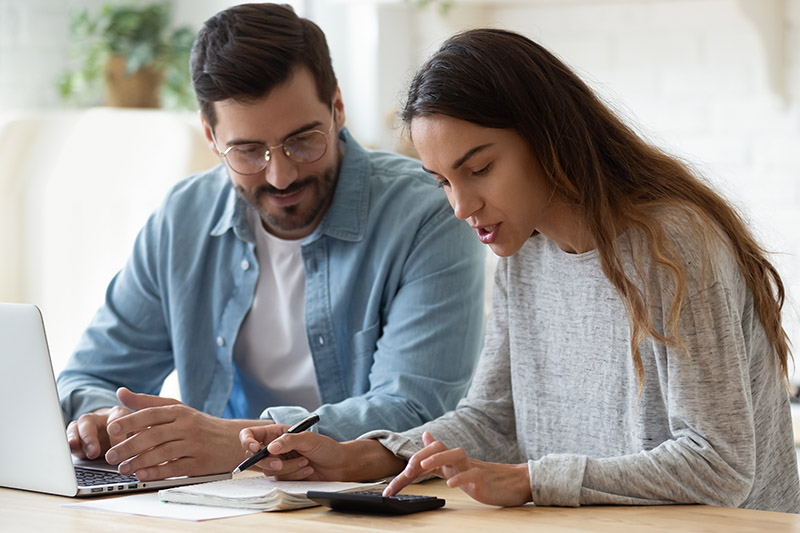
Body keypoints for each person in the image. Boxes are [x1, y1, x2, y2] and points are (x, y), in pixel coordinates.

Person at [237, 28, 800, 513]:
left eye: (478, 168)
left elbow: (720, 465)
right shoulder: (523, 251)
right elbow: (494, 419)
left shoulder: (671, 244)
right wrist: (362, 456)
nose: (461, 206)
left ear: (547, 137)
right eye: (443, 181)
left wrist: (532, 481)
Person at [56, 3, 485, 482]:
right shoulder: (183, 218)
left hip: (360, 499)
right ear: (211, 135)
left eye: (303, 141)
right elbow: (86, 378)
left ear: (337, 108)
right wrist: (109, 423)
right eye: (248, 151)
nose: (280, 175)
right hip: (216, 501)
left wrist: (235, 440)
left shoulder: (428, 213)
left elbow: (416, 409)